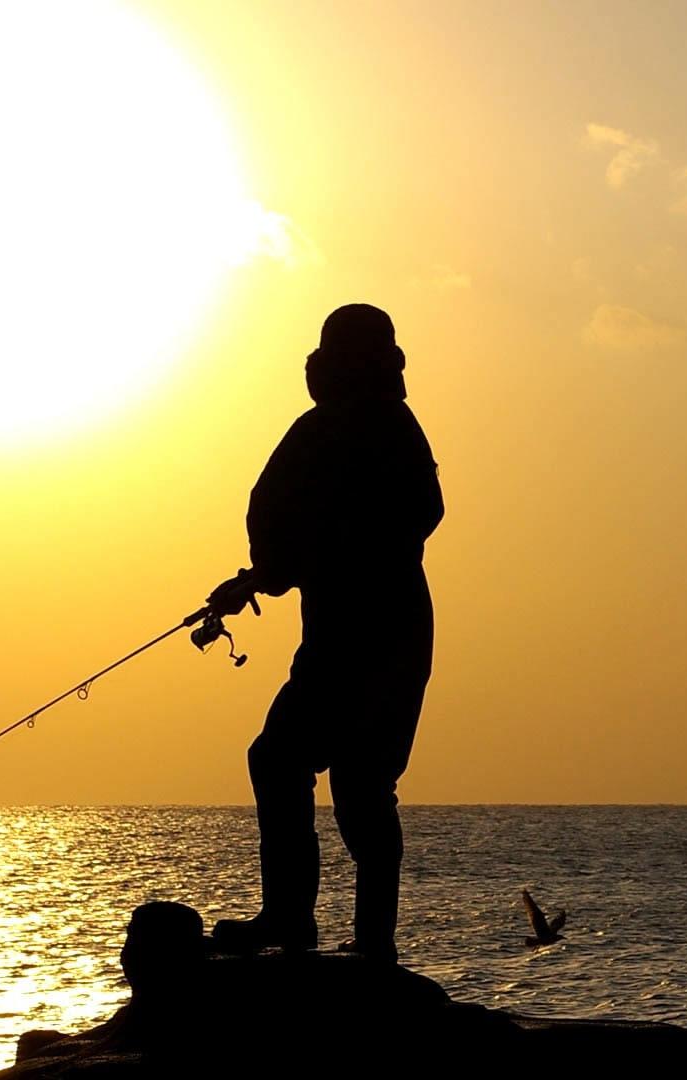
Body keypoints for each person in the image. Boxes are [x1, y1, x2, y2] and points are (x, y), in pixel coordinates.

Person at [208, 303, 443, 963]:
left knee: (363, 789)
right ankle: (289, 919)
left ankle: (373, 946)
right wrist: (257, 579)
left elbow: (421, 512)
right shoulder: (312, 434)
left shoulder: (393, 429)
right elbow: (281, 534)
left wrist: (325, 554)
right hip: (332, 640)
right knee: (277, 760)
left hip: (388, 636)